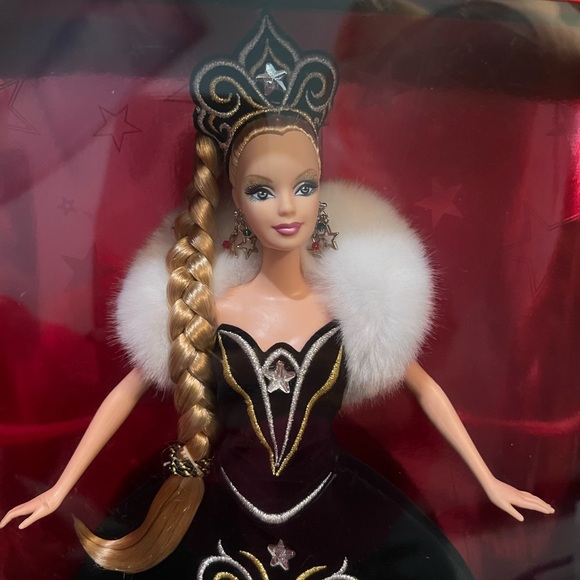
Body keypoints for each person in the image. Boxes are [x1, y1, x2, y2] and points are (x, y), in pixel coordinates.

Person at [0, 15, 553, 579]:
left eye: (304, 186)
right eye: (263, 190)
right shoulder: (215, 312)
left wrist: (489, 480)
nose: (287, 207)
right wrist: (59, 489)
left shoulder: (350, 314)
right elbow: (128, 391)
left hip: (337, 510)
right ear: (237, 202)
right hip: (220, 511)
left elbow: (426, 390)